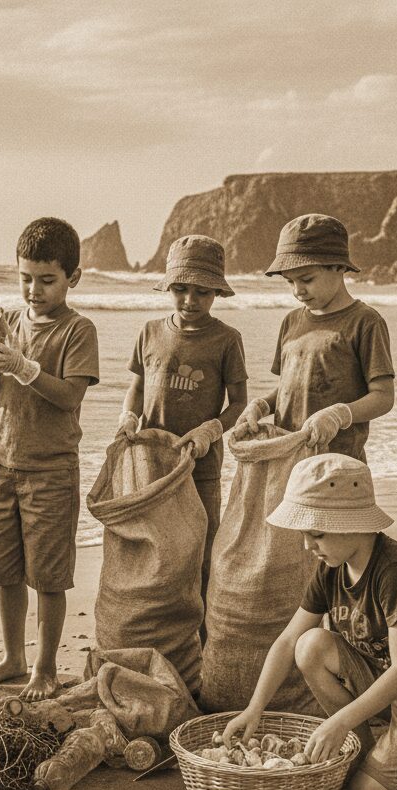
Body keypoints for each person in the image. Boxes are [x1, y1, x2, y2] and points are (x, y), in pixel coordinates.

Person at [222, 455, 397, 790]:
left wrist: (338, 722)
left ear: (350, 524)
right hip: (389, 686)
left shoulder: (396, 574)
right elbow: (286, 641)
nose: (307, 545)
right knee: (309, 645)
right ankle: (362, 750)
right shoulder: (331, 569)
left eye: (316, 534)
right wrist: (254, 708)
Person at [0, 217, 100, 700]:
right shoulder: (8, 322)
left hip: (51, 469)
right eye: (25, 278)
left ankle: (44, 666)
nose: (33, 290)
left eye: (46, 280)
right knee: (5, 570)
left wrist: (23, 366)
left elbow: (68, 397)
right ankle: (13, 656)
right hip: (0, 462)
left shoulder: (78, 330)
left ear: (71, 279)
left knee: (49, 575)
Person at [118, 235, 247, 600]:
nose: (190, 300)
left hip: (200, 467)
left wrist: (210, 430)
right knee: (156, 547)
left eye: (202, 292)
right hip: (152, 463)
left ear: (217, 294)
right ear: (169, 287)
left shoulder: (226, 339)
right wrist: (128, 417)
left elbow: (238, 403)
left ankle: (205, 631)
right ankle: (164, 617)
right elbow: (138, 387)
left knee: (202, 551)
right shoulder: (150, 331)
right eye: (181, 288)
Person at [235, 214, 394, 460]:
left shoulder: (365, 322)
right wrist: (263, 405)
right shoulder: (291, 321)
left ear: (339, 267)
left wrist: (339, 415)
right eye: (289, 282)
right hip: (287, 456)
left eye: (307, 279)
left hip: (337, 462)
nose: (298, 290)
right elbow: (292, 388)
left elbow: (383, 396)